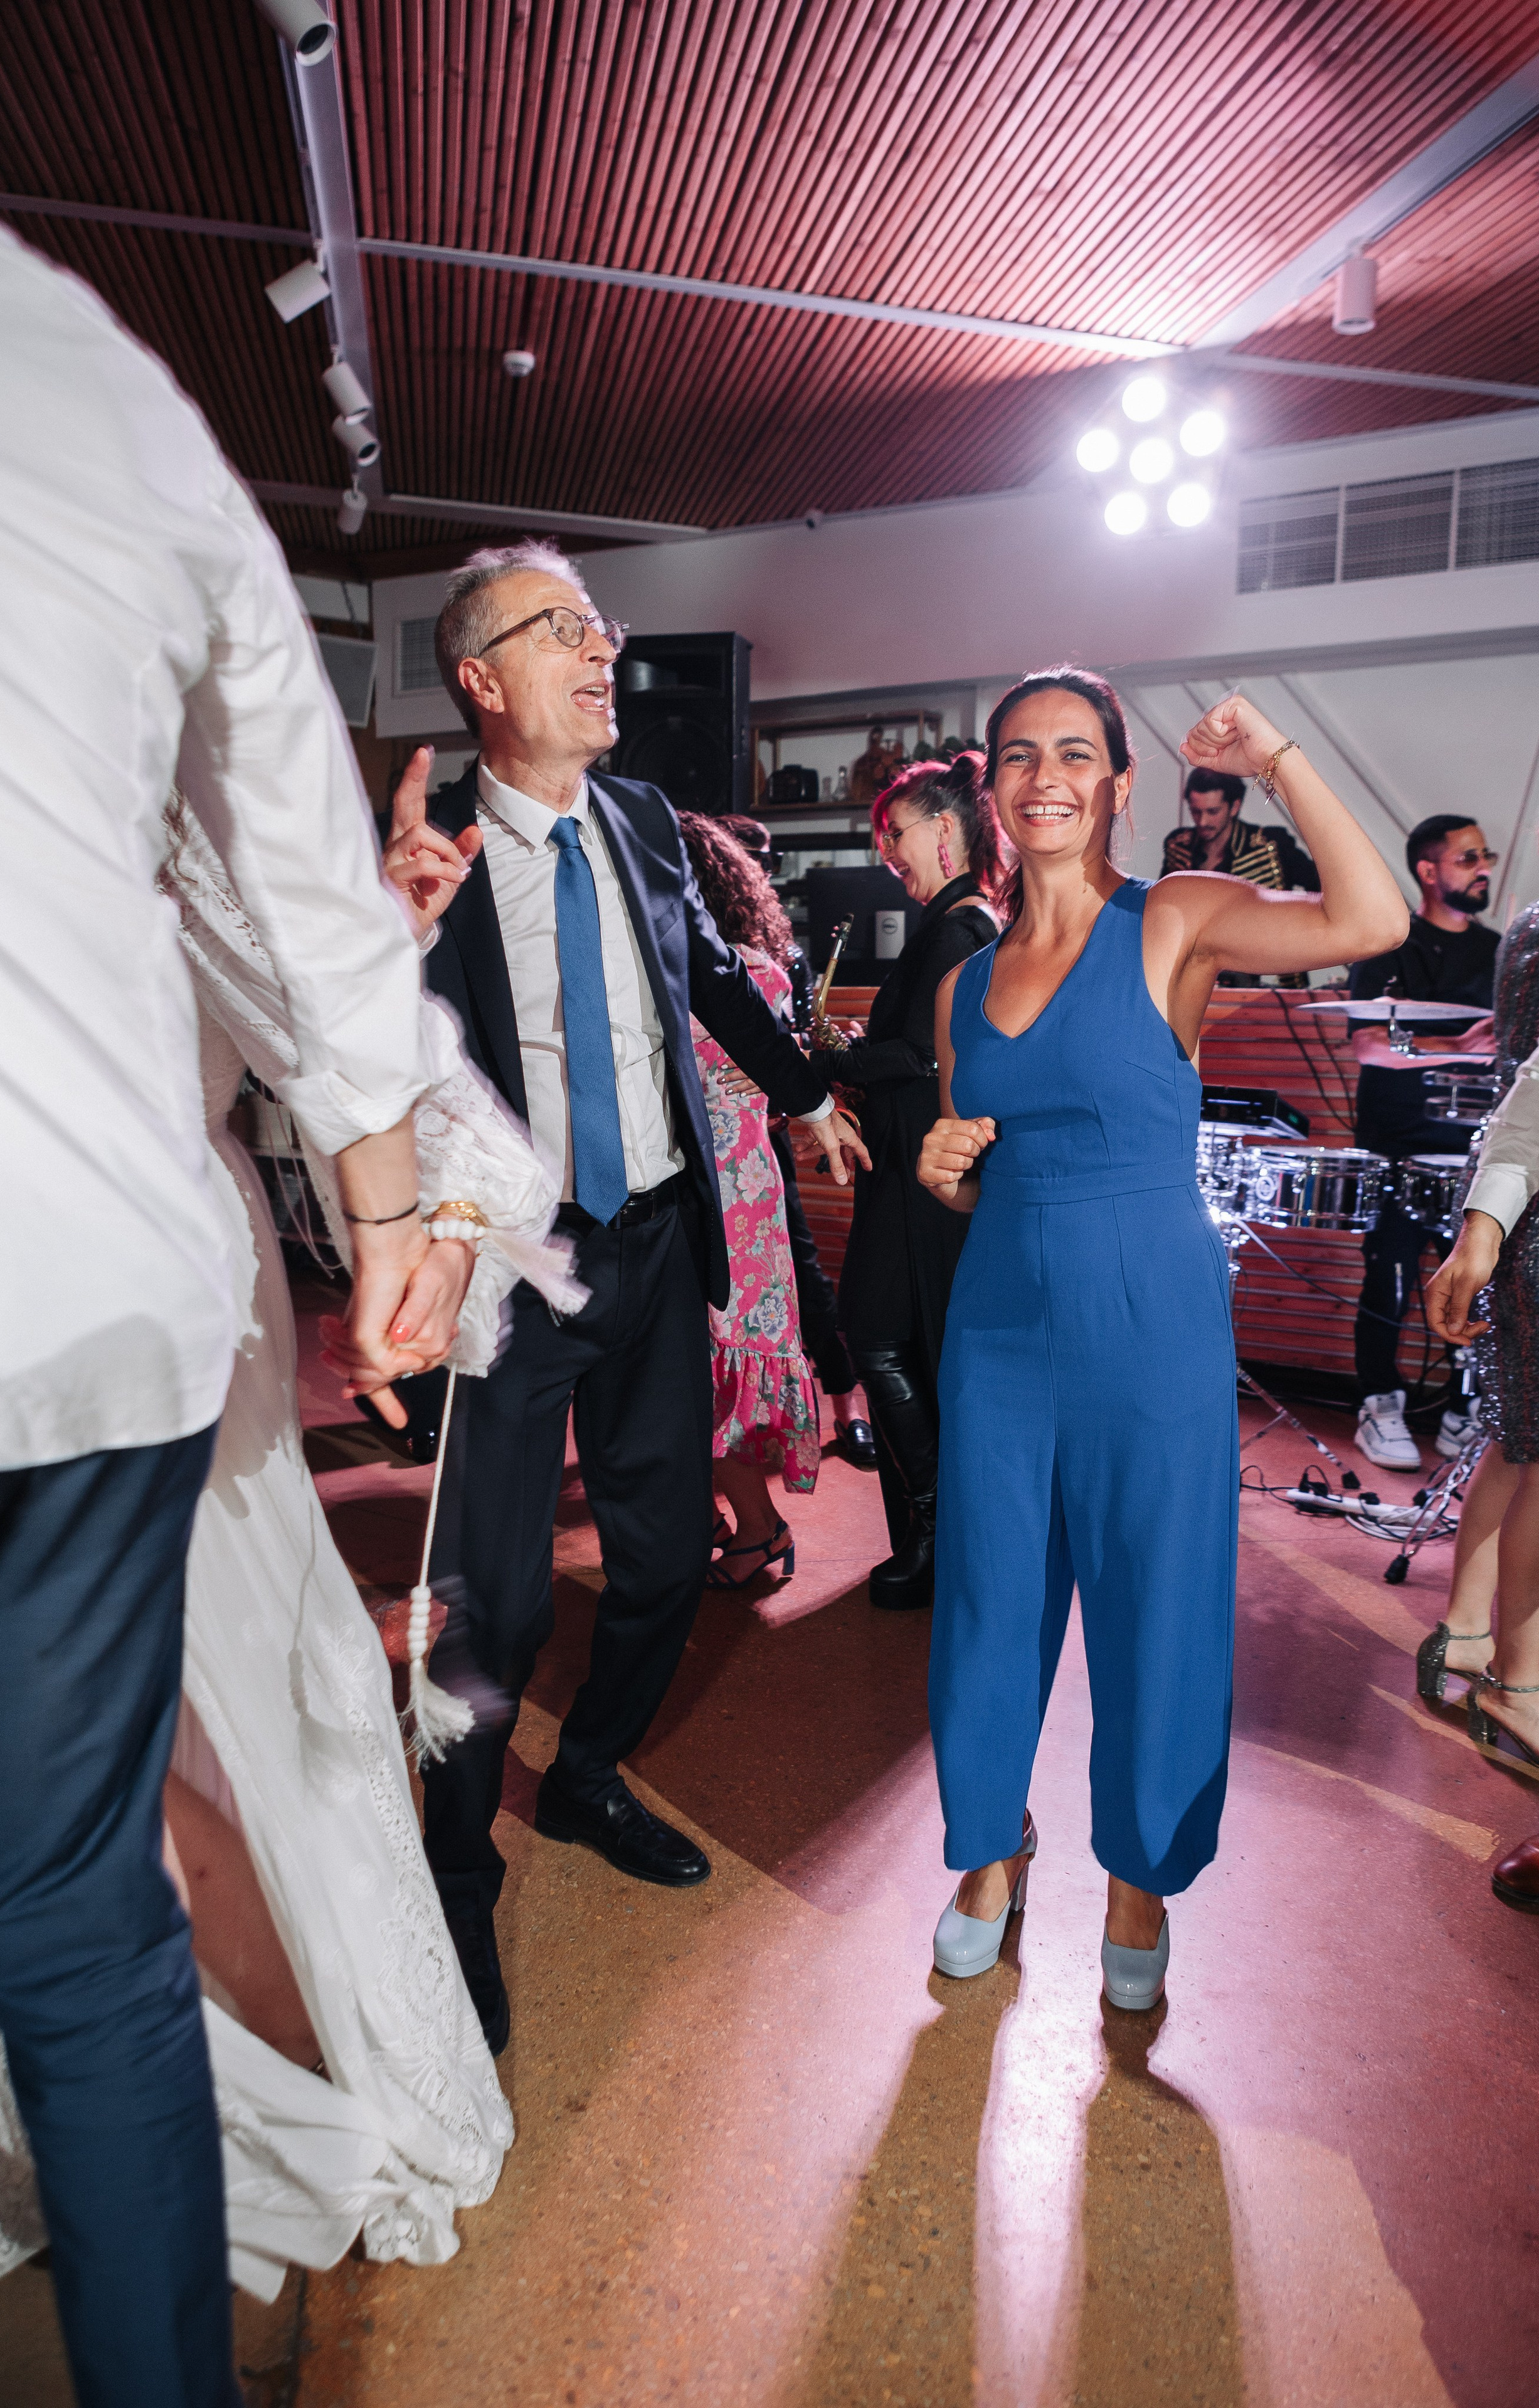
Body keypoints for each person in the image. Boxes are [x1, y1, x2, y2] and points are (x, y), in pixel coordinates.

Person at [0, 211, 457, 2405]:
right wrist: (390, 1215)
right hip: (110, 1310)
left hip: (145, 1298)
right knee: (81, 1922)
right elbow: (296, 893)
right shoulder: (113, 420)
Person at [0, 784, 584, 2300]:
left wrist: (434, 1229)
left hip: (120, 1304)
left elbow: (340, 1041)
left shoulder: (123, 762)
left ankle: (293, 2082)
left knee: (152, 1740)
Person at [386, 541, 868, 2050]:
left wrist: (800, 1092)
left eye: (599, 628)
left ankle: (589, 1773)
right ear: (480, 679)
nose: (601, 654)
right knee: (498, 1601)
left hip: (655, 1249)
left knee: (663, 1568)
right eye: (558, 632)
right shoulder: (428, 849)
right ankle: (456, 1875)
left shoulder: (650, 822)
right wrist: (386, 934)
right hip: (513, 1259)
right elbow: (339, 1058)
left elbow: (713, 972)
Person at [917, 672, 1405, 2010]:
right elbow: (981, 1171)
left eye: (1075, 754)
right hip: (1001, 1321)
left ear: (1119, 785)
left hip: (1150, 1312)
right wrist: (946, 1170)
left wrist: (1275, 754)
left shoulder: (1173, 920)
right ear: (993, 788)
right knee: (987, 1602)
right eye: (1019, 757)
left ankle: (1135, 1870)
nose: (1044, 779)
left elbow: (1373, 917)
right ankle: (987, 1848)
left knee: (1155, 1598)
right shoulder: (961, 987)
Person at [1427, 740, 1539, 1903]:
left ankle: (1478, 1638)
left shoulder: (1532, 922)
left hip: (1533, 1205)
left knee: (1525, 1444)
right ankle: (1510, 1672)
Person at [819, 754, 1006, 1608]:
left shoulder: (959, 924)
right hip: (911, 1169)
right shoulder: (959, 920)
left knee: (882, 1338)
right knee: (904, 1347)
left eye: (894, 834)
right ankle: (939, 1537)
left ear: (943, 828)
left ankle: (934, 1528)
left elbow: (936, 1055)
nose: (887, 854)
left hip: (921, 1178)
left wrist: (838, 1056)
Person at [677, 813, 822, 1582]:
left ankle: (760, 1530)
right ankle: (708, 1518)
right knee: (700, 1369)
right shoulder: (759, 968)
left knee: (712, 1375)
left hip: (727, 1196)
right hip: (741, 1186)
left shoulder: (717, 975)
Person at [1345, 812, 1501, 1471]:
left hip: (1480, 1153)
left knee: (1481, 1288)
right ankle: (1378, 1405)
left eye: (1484, 856)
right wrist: (1455, 1048)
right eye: (1468, 859)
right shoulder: (1388, 943)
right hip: (1398, 1148)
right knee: (1391, 1282)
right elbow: (1369, 1046)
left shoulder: (1503, 949)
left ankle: (1470, 1409)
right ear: (1428, 871)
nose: (1483, 867)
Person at [723, 812, 875, 1469]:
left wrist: (798, 1085)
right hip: (715, 1137)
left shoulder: (785, 953)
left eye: (762, 857)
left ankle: (847, 1406)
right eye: (749, 857)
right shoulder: (688, 944)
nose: (761, 869)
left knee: (805, 1279)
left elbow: (801, 1040)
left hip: (769, 1135)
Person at [1160, 764, 1318, 887]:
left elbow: (1320, 886)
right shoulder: (1178, 844)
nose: (1203, 822)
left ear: (1234, 807)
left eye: (1213, 812)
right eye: (1195, 812)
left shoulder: (1272, 844)